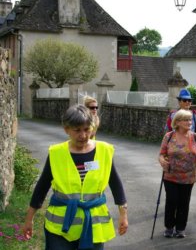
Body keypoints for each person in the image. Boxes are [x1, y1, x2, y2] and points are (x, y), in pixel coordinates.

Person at [22, 104, 128, 249]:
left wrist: (123, 214)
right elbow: (42, 186)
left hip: (93, 226)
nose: (83, 135)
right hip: (60, 229)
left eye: (86, 129)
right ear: (66, 129)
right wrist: (29, 219)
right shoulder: (56, 153)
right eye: (77, 130)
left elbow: (115, 183)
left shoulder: (104, 151)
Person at [158, 109, 196, 238]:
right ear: (178, 122)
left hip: (188, 177)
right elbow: (161, 154)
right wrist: (162, 161)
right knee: (172, 200)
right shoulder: (169, 136)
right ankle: (169, 227)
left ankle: (180, 228)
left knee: (184, 202)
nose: (189, 122)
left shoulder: (195, 137)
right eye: (186, 120)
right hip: (170, 175)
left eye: (190, 120)